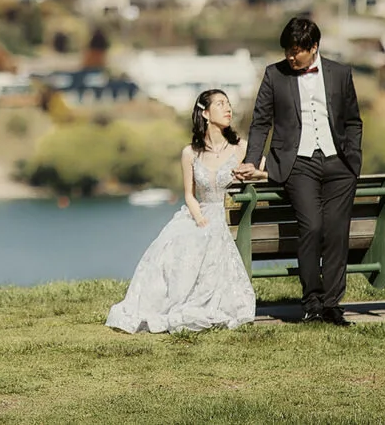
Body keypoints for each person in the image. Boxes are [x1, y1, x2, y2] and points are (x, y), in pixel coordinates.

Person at [235, 17, 363, 326]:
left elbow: (353, 121)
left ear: (314, 47)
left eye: (296, 51)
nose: (290, 57)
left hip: (339, 165)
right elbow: (260, 122)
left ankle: (332, 305)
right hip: (297, 164)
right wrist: (252, 160)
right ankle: (312, 303)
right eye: (287, 51)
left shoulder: (340, 73)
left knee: (336, 233)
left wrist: (353, 161)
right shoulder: (274, 75)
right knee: (312, 227)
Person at [105, 89, 257, 333]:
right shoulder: (190, 153)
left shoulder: (241, 148)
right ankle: (171, 300)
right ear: (205, 113)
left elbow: (262, 172)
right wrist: (199, 218)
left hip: (228, 215)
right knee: (172, 243)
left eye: (228, 104)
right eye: (220, 104)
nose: (228, 108)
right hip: (199, 212)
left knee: (208, 237)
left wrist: (253, 174)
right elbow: (189, 195)